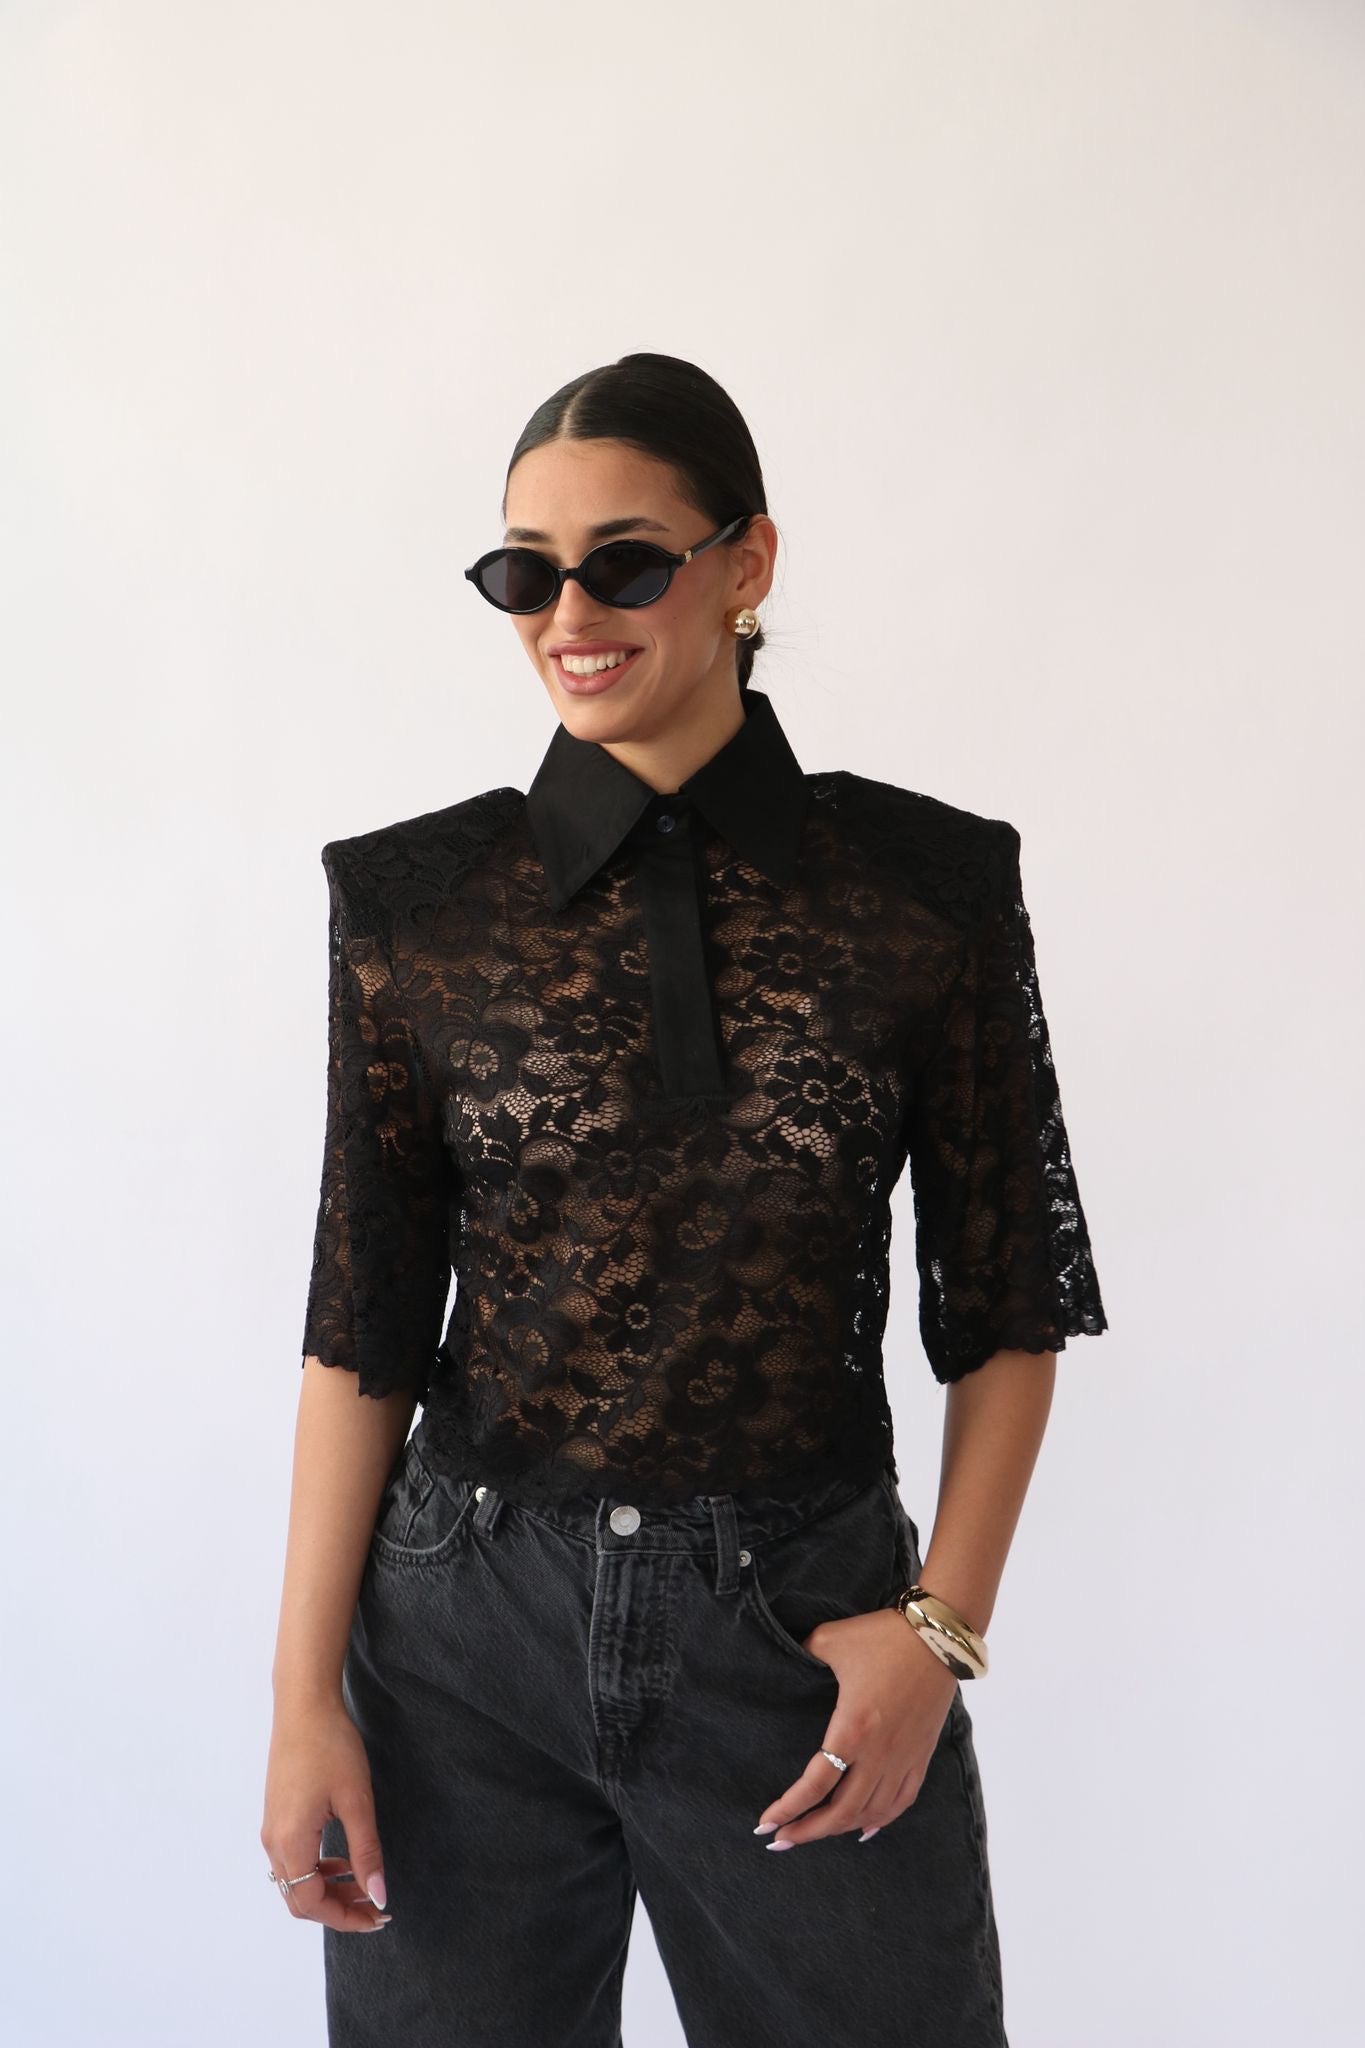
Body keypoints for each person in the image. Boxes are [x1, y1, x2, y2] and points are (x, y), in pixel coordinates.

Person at [262, 350, 1108, 2048]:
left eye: (625, 562)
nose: (569, 613)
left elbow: (1008, 1295)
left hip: (800, 1631)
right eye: (525, 573)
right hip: (459, 1644)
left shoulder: (925, 889)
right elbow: (364, 1329)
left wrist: (938, 1632)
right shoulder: (415, 902)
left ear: (746, 564)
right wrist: (301, 1703)